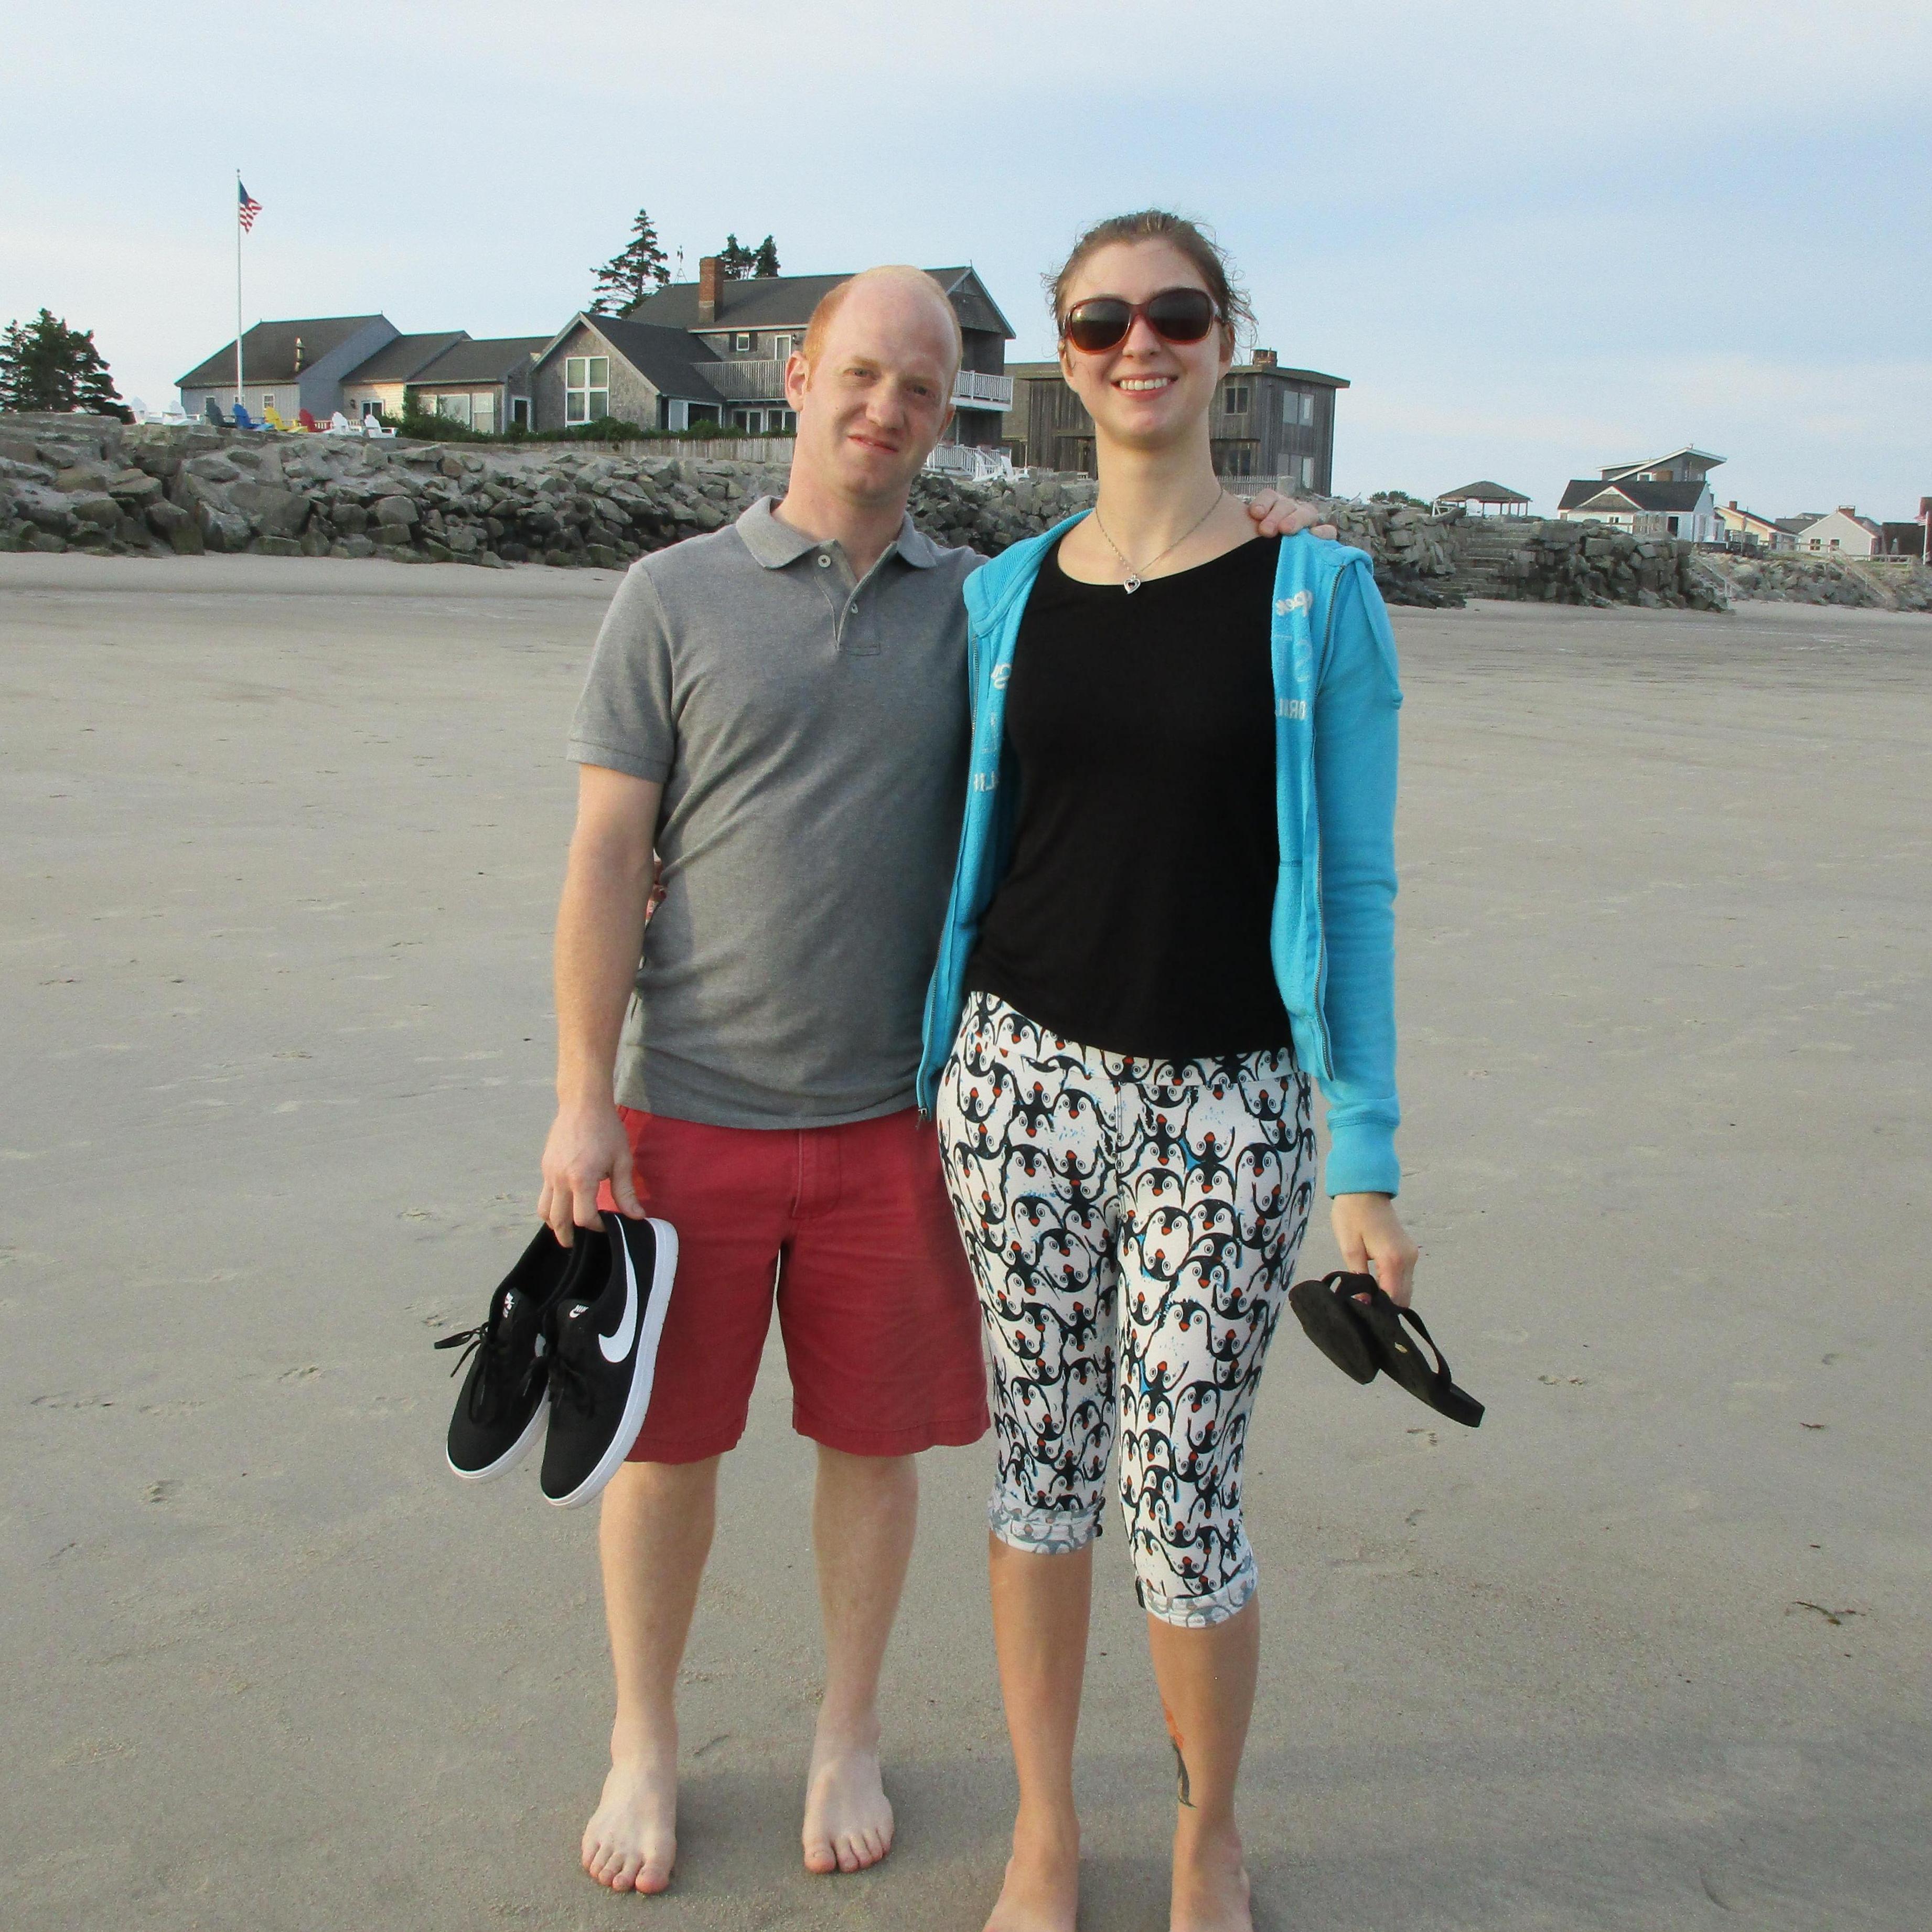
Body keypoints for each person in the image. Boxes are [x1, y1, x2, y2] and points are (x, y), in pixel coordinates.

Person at [534, 262, 1326, 1895]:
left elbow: (1128, 635)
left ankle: (847, 1728)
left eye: (921, 381)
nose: (888, 405)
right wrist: (576, 1091)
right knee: (666, 1454)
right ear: (799, 373)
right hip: (685, 1108)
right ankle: (643, 1738)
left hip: (903, 1117)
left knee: (870, 1453)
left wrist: (1258, 538)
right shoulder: (671, 595)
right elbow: (609, 854)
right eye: (862, 372)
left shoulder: (988, 603)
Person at [917, 211, 1419, 1932]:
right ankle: (1045, 1832)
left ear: (1226, 342)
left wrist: (1367, 1156)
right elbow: (902, 808)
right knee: (1041, 1468)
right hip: (1013, 1088)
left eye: (1175, 313)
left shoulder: (1315, 592)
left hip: (1232, 1101)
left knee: (1183, 1493)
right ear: (1061, 355)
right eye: (1099, 319)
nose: (1139, 342)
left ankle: (1206, 1835)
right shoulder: (994, 598)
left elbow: (1352, 884)